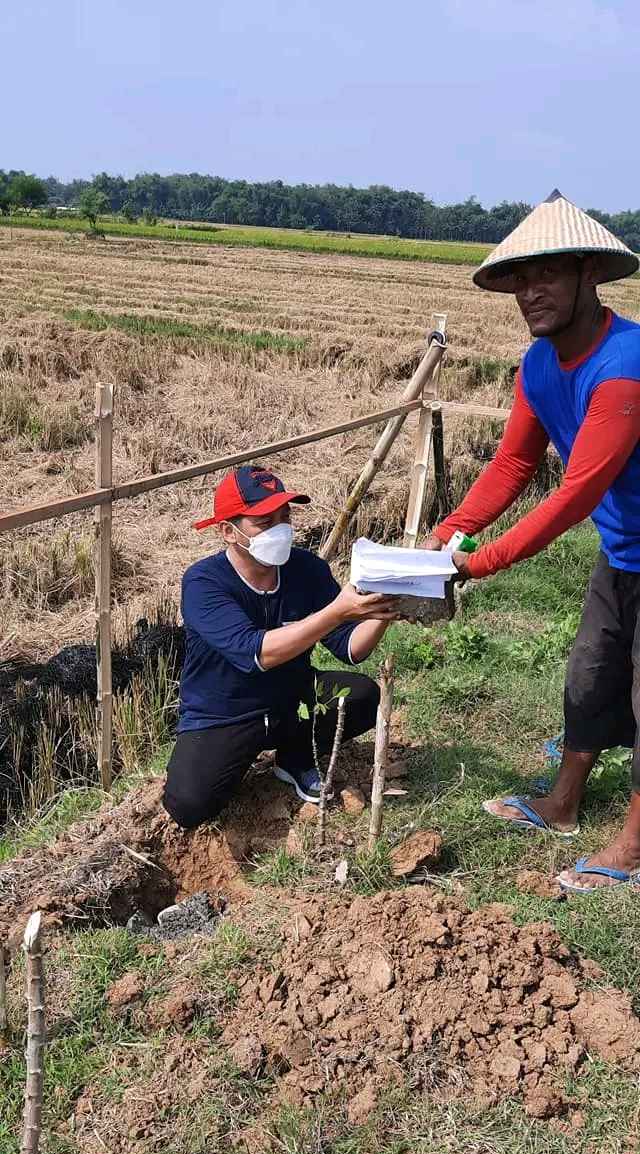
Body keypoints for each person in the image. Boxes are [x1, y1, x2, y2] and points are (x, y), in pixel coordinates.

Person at [424, 189, 640, 894]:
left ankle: (634, 847)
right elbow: (516, 463)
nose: (531, 292)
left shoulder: (626, 366)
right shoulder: (539, 365)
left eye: (549, 274)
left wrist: (481, 561)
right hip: (626, 549)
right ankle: (563, 803)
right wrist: (451, 530)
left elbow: (575, 491)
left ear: (589, 276)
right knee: (588, 675)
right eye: (521, 277)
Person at [163, 463, 399, 828]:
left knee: (365, 696)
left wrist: (384, 609)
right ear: (228, 531)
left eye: (284, 517)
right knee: (189, 805)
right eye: (264, 522)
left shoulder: (306, 569)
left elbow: (351, 648)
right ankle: (239, 753)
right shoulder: (203, 582)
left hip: (295, 697)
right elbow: (257, 652)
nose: (281, 530)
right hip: (225, 712)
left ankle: (295, 754)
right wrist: (335, 613)